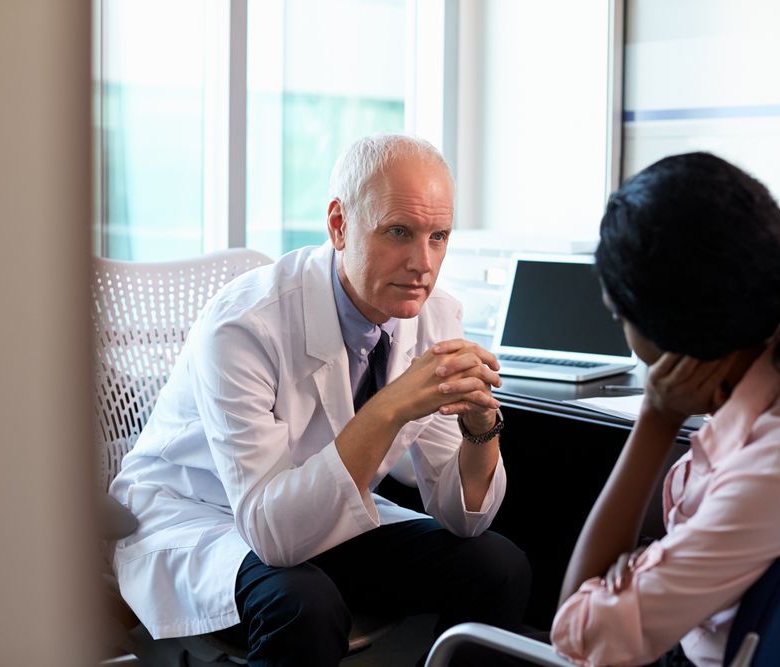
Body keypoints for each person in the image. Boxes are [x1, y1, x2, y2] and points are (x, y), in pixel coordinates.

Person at [452, 152, 780, 666]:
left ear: (671, 329)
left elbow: (581, 639)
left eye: (619, 316)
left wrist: (657, 420)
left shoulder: (777, 470)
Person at [109, 133, 530, 666]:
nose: (423, 263)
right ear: (339, 225)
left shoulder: (436, 316)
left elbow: (462, 517)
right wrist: (392, 404)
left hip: (321, 512)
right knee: (303, 605)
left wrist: (480, 428)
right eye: (399, 232)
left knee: (499, 567)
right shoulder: (245, 322)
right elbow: (271, 535)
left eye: (438, 236)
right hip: (205, 517)